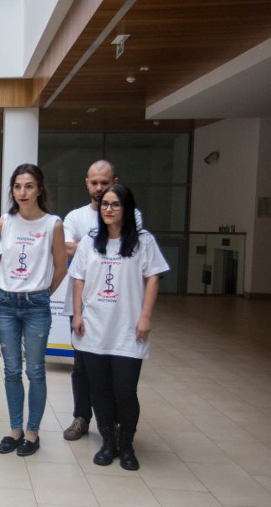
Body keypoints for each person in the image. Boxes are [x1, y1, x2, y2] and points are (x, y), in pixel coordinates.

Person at [70, 184, 168, 470]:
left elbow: (153, 278)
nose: (108, 209)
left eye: (115, 204)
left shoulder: (143, 241)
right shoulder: (90, 241)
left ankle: (126, 442)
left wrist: (146, 316)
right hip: (94, 328)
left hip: (128, 329)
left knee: (125, 390)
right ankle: (108, 442)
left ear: (127, 209)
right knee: (98, 389)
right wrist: (77, 314)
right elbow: (78, 279)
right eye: (104, 205)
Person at [62, 160, 143, 441]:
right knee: (82, 368)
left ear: (115, 182)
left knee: (116, 370)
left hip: (119, 309)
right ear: (87, 183)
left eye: (104, 183)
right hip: (82, 304)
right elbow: (67, 248)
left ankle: (117, 424)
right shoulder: (75, 216)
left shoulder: (134, 215)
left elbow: (129, 246)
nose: (99, 188)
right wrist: (90, 243)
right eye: (94, 183)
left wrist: (85, 244)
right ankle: (82, 417)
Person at [0, 163, 66, 456]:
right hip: (6, 303)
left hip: (36, 304)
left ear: (39, 189)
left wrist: (42, 293)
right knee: (11, 370)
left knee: (35, 371)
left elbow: (61, 268)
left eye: (28, 186)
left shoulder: (53, 224)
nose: (22, 192)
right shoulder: (4, 222)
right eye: (17, 186)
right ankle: (15, 429)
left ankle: (33, 432)